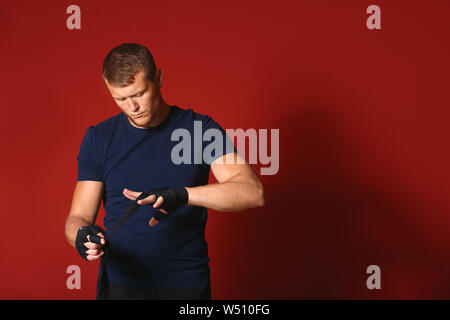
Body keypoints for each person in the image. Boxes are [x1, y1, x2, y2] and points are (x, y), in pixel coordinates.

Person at [65, 43, 265, 300]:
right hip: (121, 284)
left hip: (185, 283)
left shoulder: (199, 130)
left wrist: (182, 195)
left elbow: (253, 192)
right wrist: (82, 236)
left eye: (138, 94)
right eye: (120, 99)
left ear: (158, 78)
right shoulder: (99, 138)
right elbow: (77, 217)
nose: (132, 107)